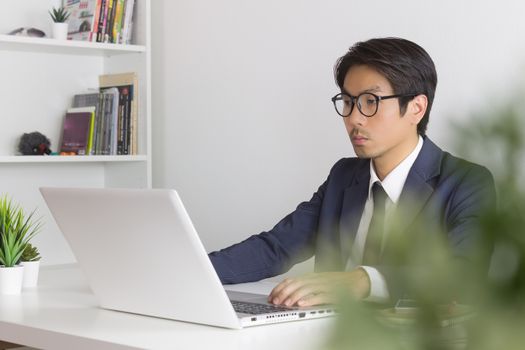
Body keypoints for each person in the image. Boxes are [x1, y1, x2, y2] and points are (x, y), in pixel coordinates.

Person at [208, 37, 496, 307]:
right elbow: (276, 248)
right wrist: (188, 270)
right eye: (347, 102)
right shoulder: (344, 176)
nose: (354, 118)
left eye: (370, 102)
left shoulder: (466, 182)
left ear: (416, 108)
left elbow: (463, 276)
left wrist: (364, 280)